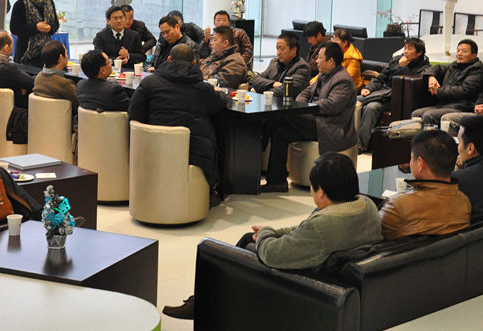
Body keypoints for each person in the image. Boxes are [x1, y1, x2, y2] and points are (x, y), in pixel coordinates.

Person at [162, 152, 383, 320]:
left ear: (322, 193)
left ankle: (203, 304)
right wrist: (274, 232)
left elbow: (272, 254)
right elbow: (305, 230)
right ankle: (204, 300)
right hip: (327, 265)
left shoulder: (324, 227)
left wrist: (266, 234)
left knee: (236, 248)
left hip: (304, 283)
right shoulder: (366, 206)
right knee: (250, 239)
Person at [128, 44, 229, 194]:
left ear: (169, 59)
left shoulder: (149, 83)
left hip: (152, 146)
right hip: (193, 152)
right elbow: (218, 105)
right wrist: (220, 93)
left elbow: (134, 113)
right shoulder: (203, 89)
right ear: (194, 63)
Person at [262, 42, 357, 193]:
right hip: (316, 121)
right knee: (280, 130)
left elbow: (332, 105)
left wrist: (306, 108)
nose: (316, 61)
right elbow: (304, 93)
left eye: (319, 58)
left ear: (331, 61)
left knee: (280, 116)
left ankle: (260, 142)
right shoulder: (324, 75)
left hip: (330, 127)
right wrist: (302, 106)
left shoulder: (342, 79)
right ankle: (277, 181)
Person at [379, 129, 471, 240]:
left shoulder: (398, 207)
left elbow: (371, 236)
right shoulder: (464, 202)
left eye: (411, 158)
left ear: (420, 163)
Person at [358, 37, 430, 151]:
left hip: (396, 99)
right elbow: (381, 78)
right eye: (405, 48)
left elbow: (403, 84)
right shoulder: (396, 60)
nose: (405, 51)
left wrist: (402, 67)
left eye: (409, 49)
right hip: (382, 93)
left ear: (419, 53)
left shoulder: (424, 68)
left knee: (371, 107)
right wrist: (368, 88)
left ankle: (361, 145)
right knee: (355, 100)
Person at [412, 39, 483, 126]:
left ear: (474, 55)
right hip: (444, 105)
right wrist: (431, 77)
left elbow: (464, 90)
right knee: (416, 114)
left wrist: (438, 91)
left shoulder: (476, 70)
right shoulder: (455, 65)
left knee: (429, 115)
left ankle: (433, 135)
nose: (459, 54)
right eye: (458, 51)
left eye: (464, 51)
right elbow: (437, 68)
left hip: (462, 107)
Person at [10, 0, 60, 67]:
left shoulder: (49, 2)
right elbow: (14, 28)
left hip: (46, 52)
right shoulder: (20, 4)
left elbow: (56, 24)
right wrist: (35, 28)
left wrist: (50, 28)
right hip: (25, 53)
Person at [0, 30, 34, 109]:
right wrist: (22, 87)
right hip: (16, 112)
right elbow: (32, 83)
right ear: (6, 47)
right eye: (12, 45)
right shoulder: (6, 68)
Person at [251, 32, 311, 98]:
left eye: (282, 49)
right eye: (277, 49)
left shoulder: (302, 68)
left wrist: (264, 91)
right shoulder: (274, 63)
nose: (278, 53)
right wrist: (273, 84)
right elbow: (256, 80)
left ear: (294, 50)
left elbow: (287, 90)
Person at [33, 41, 79, 119]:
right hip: (63, 122)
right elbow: (79, 105)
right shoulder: (64, 84)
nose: (67, 56)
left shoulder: (38, 77)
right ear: (61, 58)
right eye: (66, 53)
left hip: (42, 120)